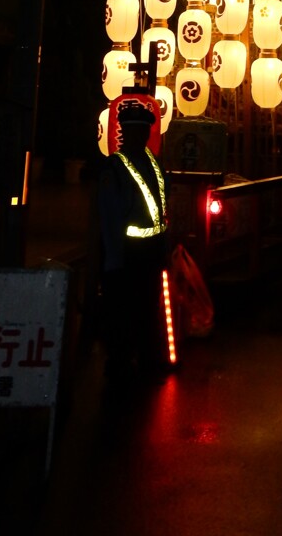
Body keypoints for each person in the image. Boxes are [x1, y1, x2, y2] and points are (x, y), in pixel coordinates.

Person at [97, 102, 171, 383]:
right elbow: (108, 215)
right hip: (126, 253)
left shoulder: (154, 163)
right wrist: (113, 259)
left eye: (142, 131)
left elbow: (162, 207)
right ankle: (119, 362)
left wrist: (164, 245)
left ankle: (146, 357)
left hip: (151, 250)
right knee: (122, 309)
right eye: (132, 131)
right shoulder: (114, 168)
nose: (138, 136)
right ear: (123, 134)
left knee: (148, 306)